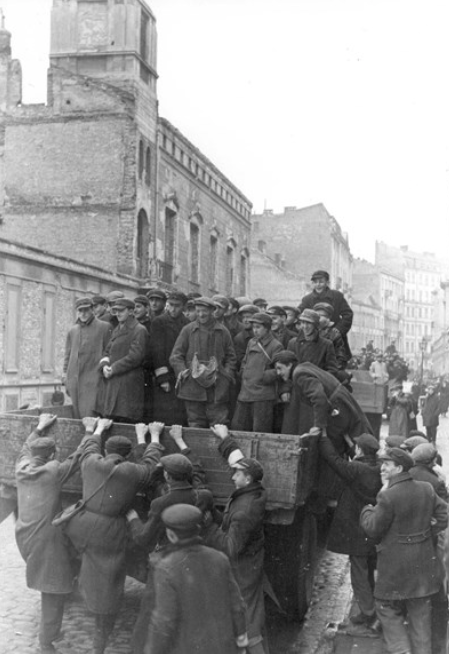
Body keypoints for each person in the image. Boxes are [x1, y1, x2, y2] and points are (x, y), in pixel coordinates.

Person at [65, 418, 165, 654]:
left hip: (84, 527)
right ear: (128, 454)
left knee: (90, 567)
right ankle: (101, 633)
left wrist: (96, 429)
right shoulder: (130, 470)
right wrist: (154, 437)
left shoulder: (90, 462)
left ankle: (90, 601)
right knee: (110, 577)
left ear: (106, 451)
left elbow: (89, 447)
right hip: (112, 532)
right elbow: (151, 466)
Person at [360, 447, 448, 654]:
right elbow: (444, 516)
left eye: (386, 465)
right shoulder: (426, 488)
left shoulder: (387, 496)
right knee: (420, 615)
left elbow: (372, 528)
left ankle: (401, 650)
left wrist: (367, 508)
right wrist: (426, 533)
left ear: (399, 468)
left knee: (386, 606)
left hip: (394, 569)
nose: (382, 468)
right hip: (423, 567)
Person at [14, 413, 87, 654]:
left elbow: (26, 449)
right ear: (53, 455)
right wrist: (91, 433)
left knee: (52, 581)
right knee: (53, 590)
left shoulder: (22, 468)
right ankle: (46, 642)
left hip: (26, 536)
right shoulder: (53, 472)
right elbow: (76, 459)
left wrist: (39, 428)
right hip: (46, 540)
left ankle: (51, 630)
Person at [145, 504, 248, 654]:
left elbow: (163, 622)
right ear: (198, 529)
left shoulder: (166, 568)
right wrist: (241, 640)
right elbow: (237, 605)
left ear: (170, 534)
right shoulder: (220, 558)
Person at [203, 424, 267, 654]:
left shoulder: (245, 509)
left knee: (245, 616)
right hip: (251, 560)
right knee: (250, 614)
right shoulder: (253, 491)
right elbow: (237, 460)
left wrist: (210, 526)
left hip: (243, 569)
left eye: (236, 474)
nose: (232, 476)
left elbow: (231, 546)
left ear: (247, 478)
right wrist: (225, 438)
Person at [318, 432, 382, 629]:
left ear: (360, 450)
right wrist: (350, 440)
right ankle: (370, 609)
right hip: (369, 527)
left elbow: (334, 460)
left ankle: (368, 613)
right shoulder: (376, 468)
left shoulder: (357, 468)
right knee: (368, 569)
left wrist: (323, 437)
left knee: (359, 572)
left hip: (355, 529)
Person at [170, 296, 236, 428]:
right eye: (198, 310)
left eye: (204, 311)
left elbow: (231, 357)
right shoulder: (188, 330)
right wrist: (183, 371)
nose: (201, 314)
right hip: (193, 385)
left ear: (212, 311)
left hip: (216, 386)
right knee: (195, 422)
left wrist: (226, 375)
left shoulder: (223, 331)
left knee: (219, 423)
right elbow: (176, 355)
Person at [97, 298, 150, 423]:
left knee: (126, 420)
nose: (118, 314)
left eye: (121, 311)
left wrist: (113, 368)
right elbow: (107, 352)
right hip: (113, 382)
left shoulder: (139, 330)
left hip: (129, 384)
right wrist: (104, 366)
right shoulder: (117, 329)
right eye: (115, 311)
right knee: (112, 420)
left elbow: (135, 357)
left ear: (131, 311)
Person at [232, 312, 282, 433]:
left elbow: (279, 369)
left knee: (260, 431)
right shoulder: (251, 342)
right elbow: (245, 361)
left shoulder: (276, 346)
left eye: (258, 327)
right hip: (245, 393)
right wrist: (243, 373)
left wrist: (264, 377)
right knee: (239, 429)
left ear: (267, 328)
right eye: (254, 327)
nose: (255, 330)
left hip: (263, 395)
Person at [62, 297, 112, 419]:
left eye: (86, 310)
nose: (83, 314)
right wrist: (64, 373)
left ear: (92, 310)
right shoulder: (73, 330)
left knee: (91, 413)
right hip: (75, 378)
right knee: (76, 413)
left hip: (94, 378)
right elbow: (68, 354)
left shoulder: (104, 327)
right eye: (80, 311)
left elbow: (110, 351)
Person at [150, 291, 189, 425]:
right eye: (170, 305)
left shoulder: (187, 324)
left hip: (180, 376)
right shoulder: (159, 322)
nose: (173, 309)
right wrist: (163, 379)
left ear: (183, 307)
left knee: (179, 416)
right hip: (165, 376)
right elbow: (157, 352)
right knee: (163, 416)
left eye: (177, 306)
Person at [298, 270, 353, 361]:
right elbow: (299, 314)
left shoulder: (337, 296)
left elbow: (348, 314)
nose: (318, 284)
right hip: (314, 336)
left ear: (327, 283)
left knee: (337, 362)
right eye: (315, 282)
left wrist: (339, 329)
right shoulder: (307, 299)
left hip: (334, 336)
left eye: (321, 282)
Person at [287, 309, 339, 376]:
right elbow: (287, 367)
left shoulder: (326, 345)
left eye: (308, 323)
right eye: (302, 322)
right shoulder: (293, 343)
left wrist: (318, 380)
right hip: (297, 383)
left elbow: (332, 370)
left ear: (316, 325)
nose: (305, 326)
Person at [313, 301, 347, 369]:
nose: (317, 318)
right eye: (316, 315)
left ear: (328, 318)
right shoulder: (308, 330)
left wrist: (331, 371)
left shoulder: (334, 335)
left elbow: (340, 357)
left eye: (320, 316)